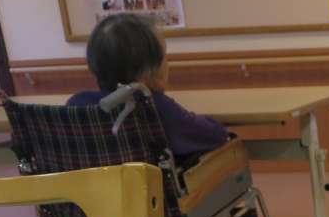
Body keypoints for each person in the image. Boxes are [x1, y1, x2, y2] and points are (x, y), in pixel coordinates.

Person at [68, 12, 229, 165]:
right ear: (147, 71)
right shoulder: (155, 107)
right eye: (165, 57)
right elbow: (215, 135)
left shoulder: (77, 104)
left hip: (89, 185)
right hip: (150, 185)